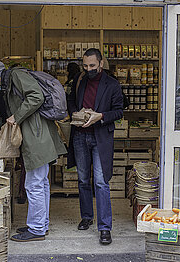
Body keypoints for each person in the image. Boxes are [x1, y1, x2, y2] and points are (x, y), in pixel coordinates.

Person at [0, 60, 67, 242]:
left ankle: (36, 229)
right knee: (41, 183)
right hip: (38, 136)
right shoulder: (10, 82)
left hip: (38, 137)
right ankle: (40, 225)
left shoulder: (16, 76)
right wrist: (4, 145)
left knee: (34, 184)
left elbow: (36, 96)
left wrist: (17, 115)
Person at [67, 48, 123, 245]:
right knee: (83, 179)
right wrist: (77, 112)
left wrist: (101, 116)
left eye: (92, 65)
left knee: (100, 182)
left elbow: (118, 111)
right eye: (85, 65)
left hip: (100, 138)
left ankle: (105, 227)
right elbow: (71, 101)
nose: (88, 69)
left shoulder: (112, 84)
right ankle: (87, 216)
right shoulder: (80, 80)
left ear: (100, 63)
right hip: (80, 136)